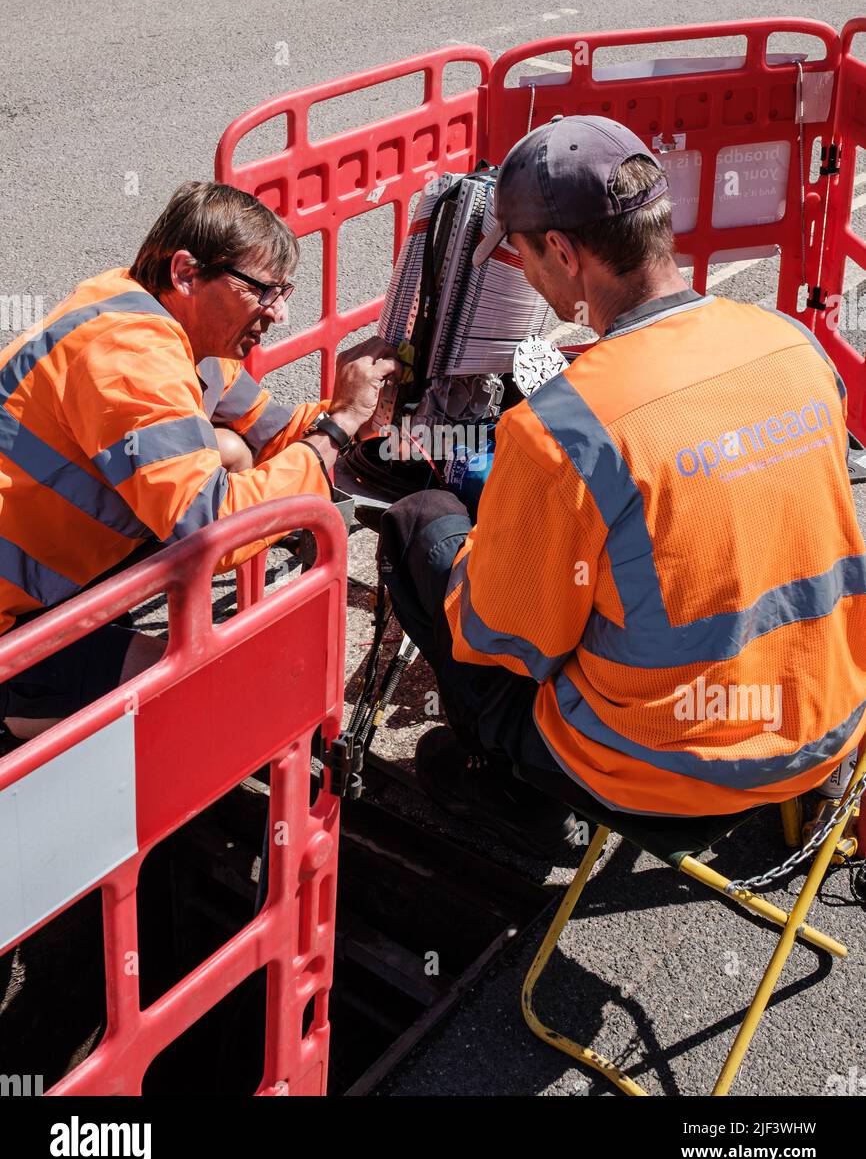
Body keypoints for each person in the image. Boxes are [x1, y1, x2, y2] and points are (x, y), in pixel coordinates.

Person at [380, 115, 866, 858]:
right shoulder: (791, 347)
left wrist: (497, 538)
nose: (524, 278)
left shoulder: (564, 428)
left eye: (517, 257)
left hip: (666, 775)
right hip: (829, 724)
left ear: (564, 253)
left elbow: (496, 640)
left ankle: (513, 792)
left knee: (420, 523)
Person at [0, 181, 399, 742]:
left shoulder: (169, 322)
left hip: (51, 577)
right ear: (187, 273)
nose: (279, 314)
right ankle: (26, 711)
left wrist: (363, 417)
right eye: (264, 291)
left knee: (230, 448)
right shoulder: (131, 356)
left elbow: (268, 432)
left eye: (283, 291)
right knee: (232, 697)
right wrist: (337, 430)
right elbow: (211, 530)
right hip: (14, 623)